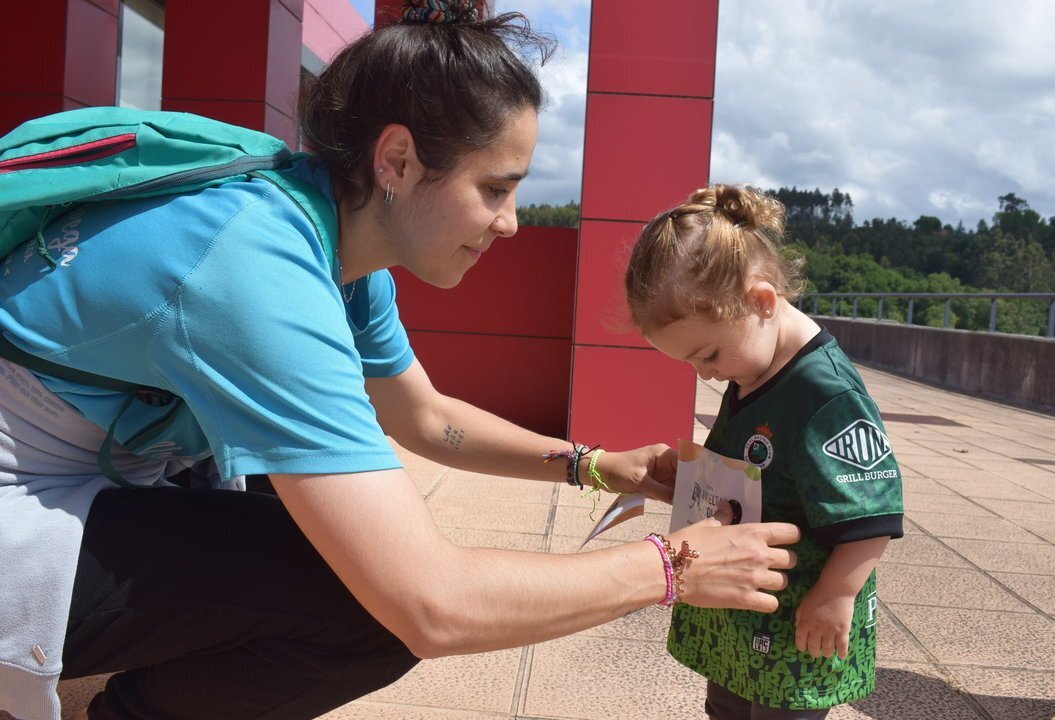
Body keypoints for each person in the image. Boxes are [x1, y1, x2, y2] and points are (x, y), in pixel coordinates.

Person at [0, 5, 802, 720]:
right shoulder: (250, 271)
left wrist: (597, 466)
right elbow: (430, 604)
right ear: (396, 161)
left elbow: (424, 417)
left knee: (322, 543)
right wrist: (674, 565)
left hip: (86, 468)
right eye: (495, 188)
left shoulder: (327, 236)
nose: (511, 224)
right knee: (361, 601)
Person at [624, 185, 904, 719]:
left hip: (803, 607)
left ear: (761, 301)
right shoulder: (754, 358)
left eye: (707, 354)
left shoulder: (827, 394)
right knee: (727, 704)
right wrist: (690, 481)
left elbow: (874, 515)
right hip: (751, 603)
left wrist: (835, 595)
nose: (705, 373)